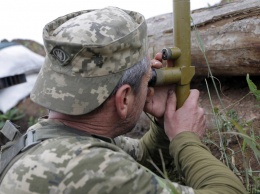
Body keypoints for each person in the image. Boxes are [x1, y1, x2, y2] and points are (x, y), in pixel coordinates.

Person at [0, 6, 247, 194]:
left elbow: (142, 156)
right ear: (124, 99)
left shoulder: (43, 135)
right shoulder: (93, 167)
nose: (150, 86)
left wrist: (162, 124)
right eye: (146, 81)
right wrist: (186, 138)